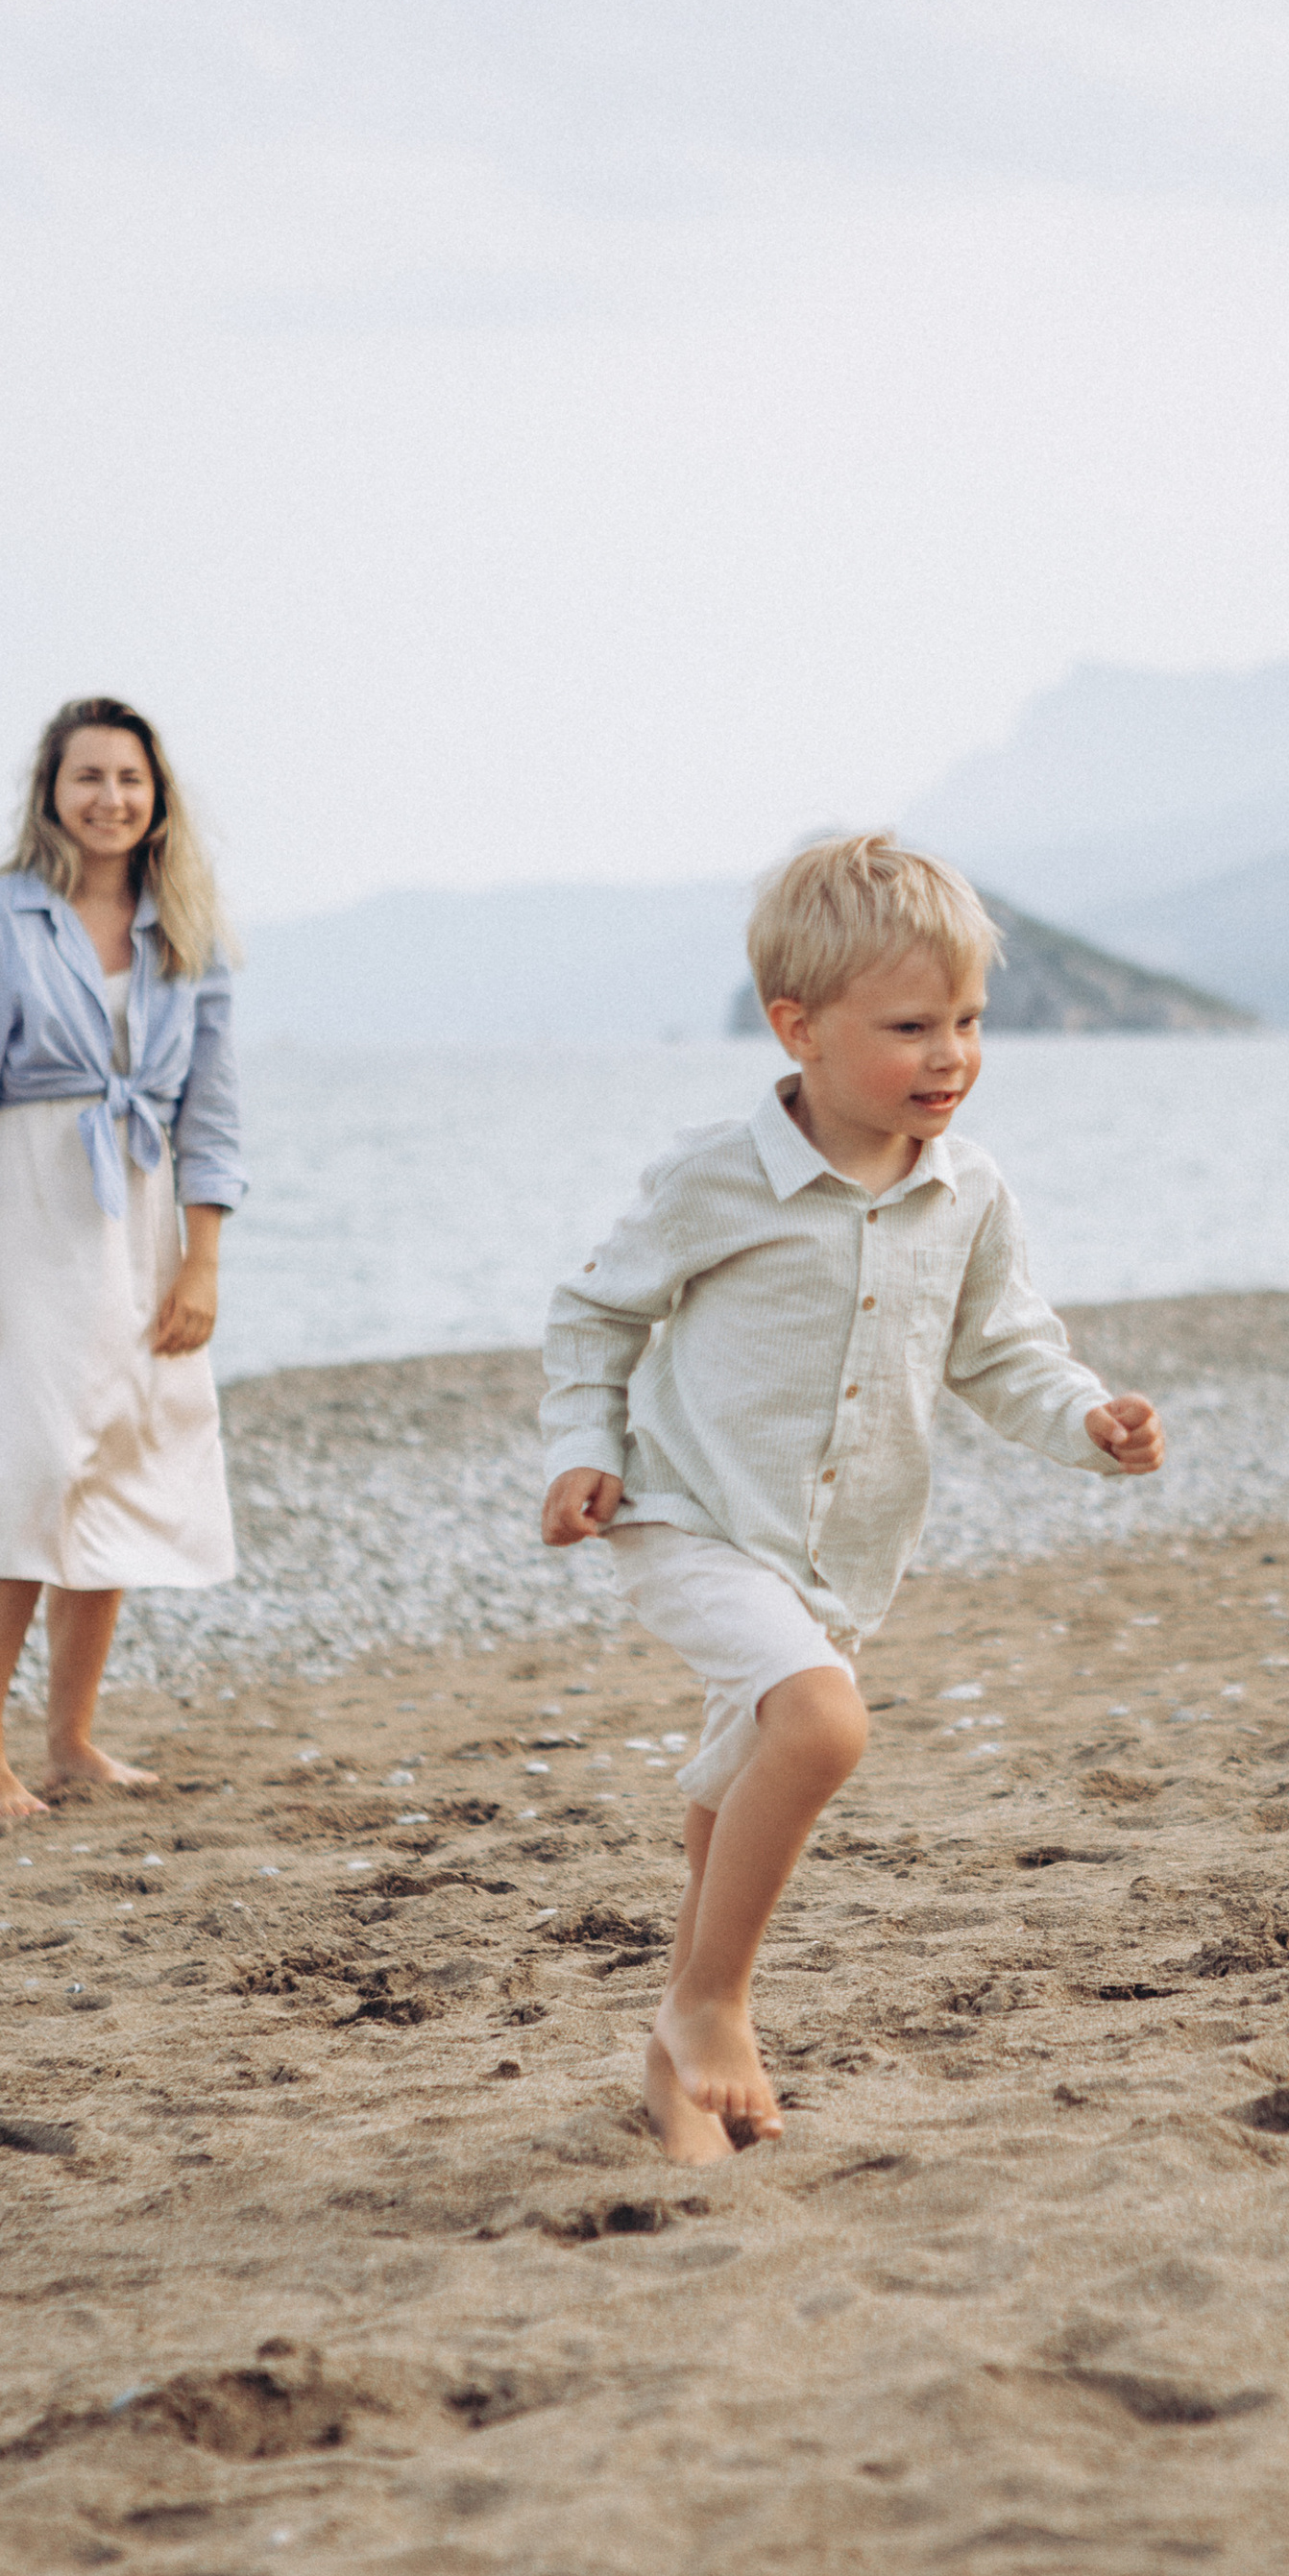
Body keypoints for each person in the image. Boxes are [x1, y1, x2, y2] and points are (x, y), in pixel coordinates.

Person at [541, 832, 1164, 2162]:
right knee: (820, 1729)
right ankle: (718, 2005)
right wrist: (581, 1447)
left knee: (736, 1782)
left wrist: (1090, 1421)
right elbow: (597, 1314)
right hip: (690, 1518)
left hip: (838, 1559)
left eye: (970, 1022)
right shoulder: (717, 1176)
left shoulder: (970, 1191)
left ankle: (674, 2056)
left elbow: (1003, 1353)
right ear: (800, 1028)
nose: (950, 1056)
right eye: (910, 1027)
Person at [0, 695, 245, 1828]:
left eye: (130, 779)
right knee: (30, 1469)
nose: (110, 798)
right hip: (28, 1213)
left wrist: (199, 1265)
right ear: (51, 789)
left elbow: (212, 1116)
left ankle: (73, 1740)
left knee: (116, 1461)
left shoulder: (187, 928)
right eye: (88, 776)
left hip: (143, 1222)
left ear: (158, 799)